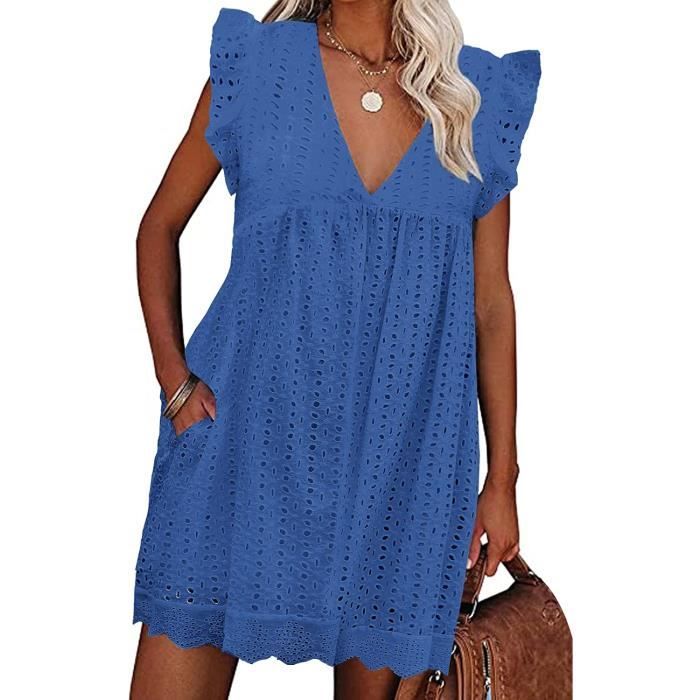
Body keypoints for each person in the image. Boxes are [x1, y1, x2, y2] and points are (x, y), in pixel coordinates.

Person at [130, 1, 541, 698]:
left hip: (404, 471)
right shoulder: (256, 67)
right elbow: (158, 227)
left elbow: (491, 305)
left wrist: (502, 480)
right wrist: (175, 384)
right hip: (241, 453)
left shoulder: (470, 96)